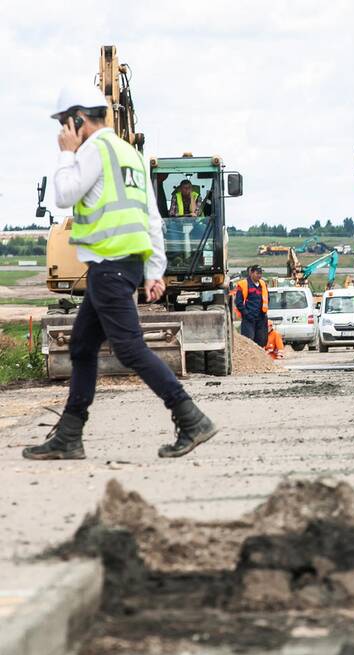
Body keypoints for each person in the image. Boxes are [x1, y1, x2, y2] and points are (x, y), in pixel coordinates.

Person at [23, 86, 217, 461]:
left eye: (65, 124)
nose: (63, 132)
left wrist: (65, 155)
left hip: (109, 266)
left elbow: (63, 195)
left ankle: (191, 418)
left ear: (78, 119)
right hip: (118, 266)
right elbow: (152, 218)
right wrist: (154, 269)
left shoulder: (93, 150)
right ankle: (69, 436)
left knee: (129, 348)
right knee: (81, 347)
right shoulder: (128, 153)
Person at [232, 265, 269, 347]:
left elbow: (267, 298)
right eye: (257, 273)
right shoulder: (243, 284)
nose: (259, 275)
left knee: (261, 341)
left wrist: (264, 313)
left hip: (261, 317)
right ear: (251, 273)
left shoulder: (263, 284)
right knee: (248, 342)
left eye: (261, 273)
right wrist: (247, 314)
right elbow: (238, 302)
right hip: (249, 318)